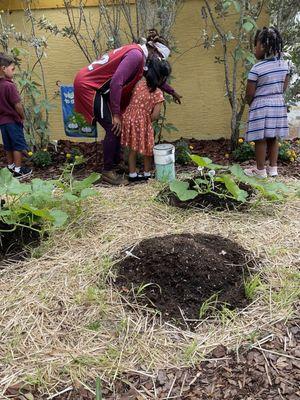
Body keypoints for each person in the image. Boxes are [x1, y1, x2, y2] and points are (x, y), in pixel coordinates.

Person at [74, 30, 182, 185]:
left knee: (118, 126)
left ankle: (115, 163)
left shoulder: (142, 58)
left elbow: (154, 79)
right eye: (160, 57)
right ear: (154, 50)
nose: (159, 61)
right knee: (113, 126)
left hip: (98, 88)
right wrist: (116, 114)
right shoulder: (136, 55)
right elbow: (117, 81)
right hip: (89, 87)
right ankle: (108, 171)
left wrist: (172, 92)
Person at [244, 27, 290, 178]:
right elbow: (284, 86)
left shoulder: (257, 68)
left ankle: (260, 170)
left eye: (255, 45)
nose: (254, 49)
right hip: (278, 103)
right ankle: (273, 168)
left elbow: (250, 92)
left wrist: (250, 103)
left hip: (261, 105)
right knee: (273, 137)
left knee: (260, 139)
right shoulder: (284, 65)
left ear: (263, 46)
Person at [121, 58, 171, 182]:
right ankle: (147, 173)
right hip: (143, 121)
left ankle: (132, 174)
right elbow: (155, 115)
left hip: (129, 118)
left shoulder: (139, 83)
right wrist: (146, 121)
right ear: (161, 78)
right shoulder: (158, 93)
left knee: (133, 148)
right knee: (147, 148)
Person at [0, 53, 32, 179]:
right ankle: (18, 170)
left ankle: (11, 166)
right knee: (17, 146)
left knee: (8, 145)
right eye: (12, 69)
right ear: (3, 68)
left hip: (2, 122)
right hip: (13, 121)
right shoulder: (9, 86)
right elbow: (17, 105)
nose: (13, 72)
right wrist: (22, 116)